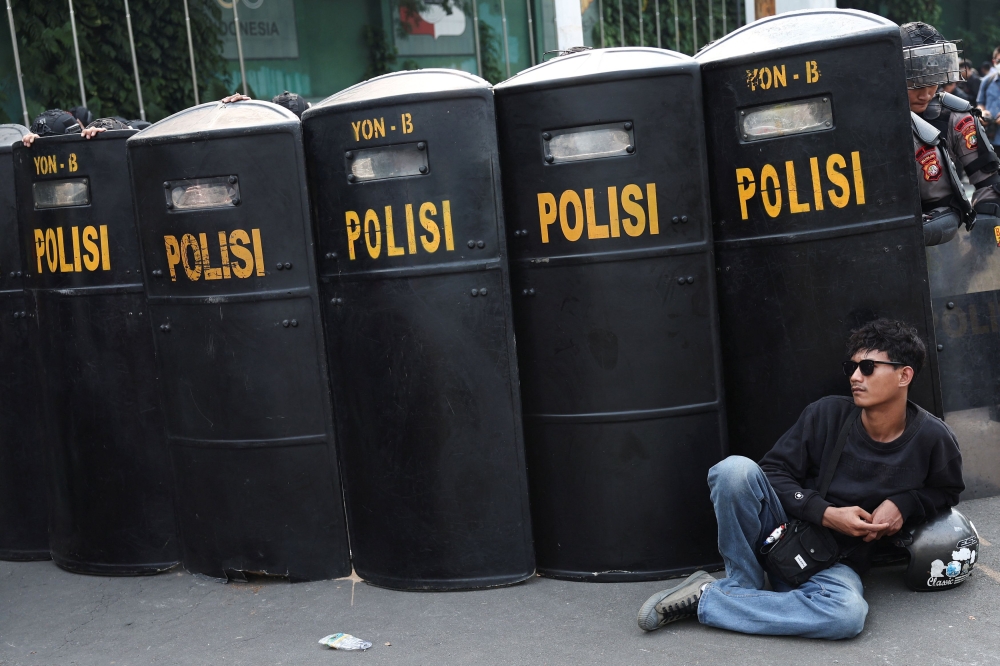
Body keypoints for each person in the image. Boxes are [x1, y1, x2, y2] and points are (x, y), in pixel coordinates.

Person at [636, 319, 963, 639]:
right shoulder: (827, 415)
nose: (855, 377)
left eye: (867, 368)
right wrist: (825, 513)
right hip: (783, 533)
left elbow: (946, 490)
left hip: (837, 562)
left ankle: (710, 598)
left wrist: (903, 504)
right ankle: (741, 585)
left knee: (846, 616)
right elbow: (773, 472)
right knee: (733, 471)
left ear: (904, 374)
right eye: (851, 367)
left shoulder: (933, 438)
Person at [902, 23, 1000, 246]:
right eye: (915, 83)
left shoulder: (955, 116)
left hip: (942, 228)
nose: (926, 93)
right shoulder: (875, 118)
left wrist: (982, 229)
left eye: (932, 81)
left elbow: (989, 183)